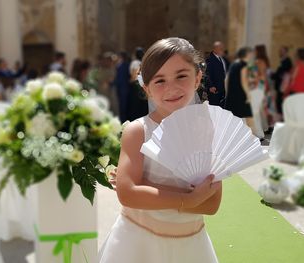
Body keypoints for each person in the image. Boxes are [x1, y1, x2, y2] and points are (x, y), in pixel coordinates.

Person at [99, 38, 221, 263]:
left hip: (190, 243)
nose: (171, 87)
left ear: (197, 79)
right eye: (160, 80)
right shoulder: (139, 131)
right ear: (147, 89)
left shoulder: (209, 132)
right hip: (137, 241)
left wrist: (146, 187)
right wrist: (189, 199)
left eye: (181, 75)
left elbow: (212, 204)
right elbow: (127, 194)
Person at [225, 47, 254, 131]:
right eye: (250, 53)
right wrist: (248, 95)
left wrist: (228, 93)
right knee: (249, 117)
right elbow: (244, 80)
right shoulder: (244, 65)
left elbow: (226, 80)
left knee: (233, 118)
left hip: (232, 95)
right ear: (247, 54)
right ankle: (251, 138)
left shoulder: (234, 64)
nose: (252, 55)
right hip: (241, 95)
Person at [271, 46, 293, 115]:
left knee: (280, 103)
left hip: (283, 86)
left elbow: (282, 73)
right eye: (279, 51)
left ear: (285, 52)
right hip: (280, 85)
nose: (280, 53)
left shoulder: (287, 61)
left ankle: (280, 118)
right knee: (278, 102)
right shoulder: (283, 60)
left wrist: (273, 76)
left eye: (281, 51)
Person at [205, 41, 227, 107]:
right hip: (214, 89)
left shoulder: (221, 59)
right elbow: (207, 74)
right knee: (214, 108)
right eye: (220, 49)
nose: (222, 50)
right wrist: (211, 86)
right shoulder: (210, 59)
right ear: (215, 49)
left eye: (223, 48)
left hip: (222, 88)